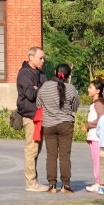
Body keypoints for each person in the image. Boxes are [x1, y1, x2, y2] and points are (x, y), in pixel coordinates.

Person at [38, 62, 80, 193]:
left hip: (49, 125)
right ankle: (66, 185)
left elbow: (38, 104)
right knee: (64, 156)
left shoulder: (45, 86)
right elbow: (75, 107)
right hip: (66, 124)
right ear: (68, 75)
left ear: (56, 72)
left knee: (51, 155)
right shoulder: (71, 88)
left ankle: (52, 185)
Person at [16, 46, 48, 192]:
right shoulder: (24, 73)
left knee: (37, 149)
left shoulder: (41, 73)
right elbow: (30, 94)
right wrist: (37, 90)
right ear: (31, 57)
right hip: (30, 116)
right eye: (40, 58)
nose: (43, 60)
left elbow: (46, 91)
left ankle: (34, 179)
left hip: (41, 114)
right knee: (31, 149)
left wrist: (38, 89)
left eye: (43, 58)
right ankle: (31, 183)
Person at [86, 80, 104, 192]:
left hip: (96, 137)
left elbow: (101, 118)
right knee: (97, 161)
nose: (88, 89)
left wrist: (88, 125)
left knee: (97, 161)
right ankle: (99, 183)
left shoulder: (98, 104)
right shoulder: (96, 103)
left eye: (91, 87)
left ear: (98, 91)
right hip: (94, 136)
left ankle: (98, 183)